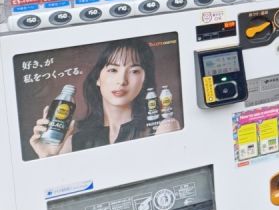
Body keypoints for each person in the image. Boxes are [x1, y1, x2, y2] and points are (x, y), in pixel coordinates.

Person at [27, 39, 181, 158]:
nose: (122, 80)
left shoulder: (163, 127)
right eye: (113, 70)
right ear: (98, 78)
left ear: (144, 80)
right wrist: (48, 156)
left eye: (134, 71)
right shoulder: (73, 141)